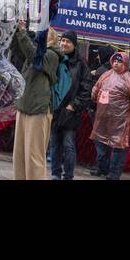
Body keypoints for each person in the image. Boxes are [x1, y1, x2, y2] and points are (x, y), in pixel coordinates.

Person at [8, 22, 59, 181]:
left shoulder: (52, 55)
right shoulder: (37, 50)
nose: (39, 36)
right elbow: (17, 49)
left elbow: (33, 55)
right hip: (24, 105)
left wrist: (23, 32)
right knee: (20, 153)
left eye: (44, 34)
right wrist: (16, 31)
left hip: (39, 109)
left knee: (34, 155)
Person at [90, 51, 130, 180]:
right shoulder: (105, 75)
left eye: (119, 61)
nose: (116, 63)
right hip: (102, 117)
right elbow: (95, 89)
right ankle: (101, 167)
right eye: (114, 60)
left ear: (124, 63)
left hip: (120, 119)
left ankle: (114, 173)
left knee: (118, 146)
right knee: (100, 142)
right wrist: (93, 99)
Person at [49, 30, 91, 180]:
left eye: (68, 41)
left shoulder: (81, 65)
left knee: (68, 146)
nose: (64, 44)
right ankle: (55, 174)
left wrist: (73, 106)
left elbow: (86, 90)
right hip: (55, 110)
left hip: (70, 113)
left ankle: (68, 175)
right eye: (63, 40)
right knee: (54, 145)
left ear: (74, 45)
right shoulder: (55, 58)